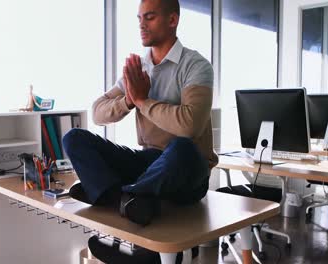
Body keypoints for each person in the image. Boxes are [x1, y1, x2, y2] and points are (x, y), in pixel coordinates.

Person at [62, 0, 217, 227]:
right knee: (73, 138)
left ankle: (110, 193)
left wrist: (142, 101)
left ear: (172, 20)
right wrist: (127, 100)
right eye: (139, 18)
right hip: (149, 162)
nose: (142, 25)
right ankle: (128, 199)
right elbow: (98, 112)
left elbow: (190, 125)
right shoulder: (139, 68)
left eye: (150, 17)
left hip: (187, 170)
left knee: (182, 147)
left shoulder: (196, 65)